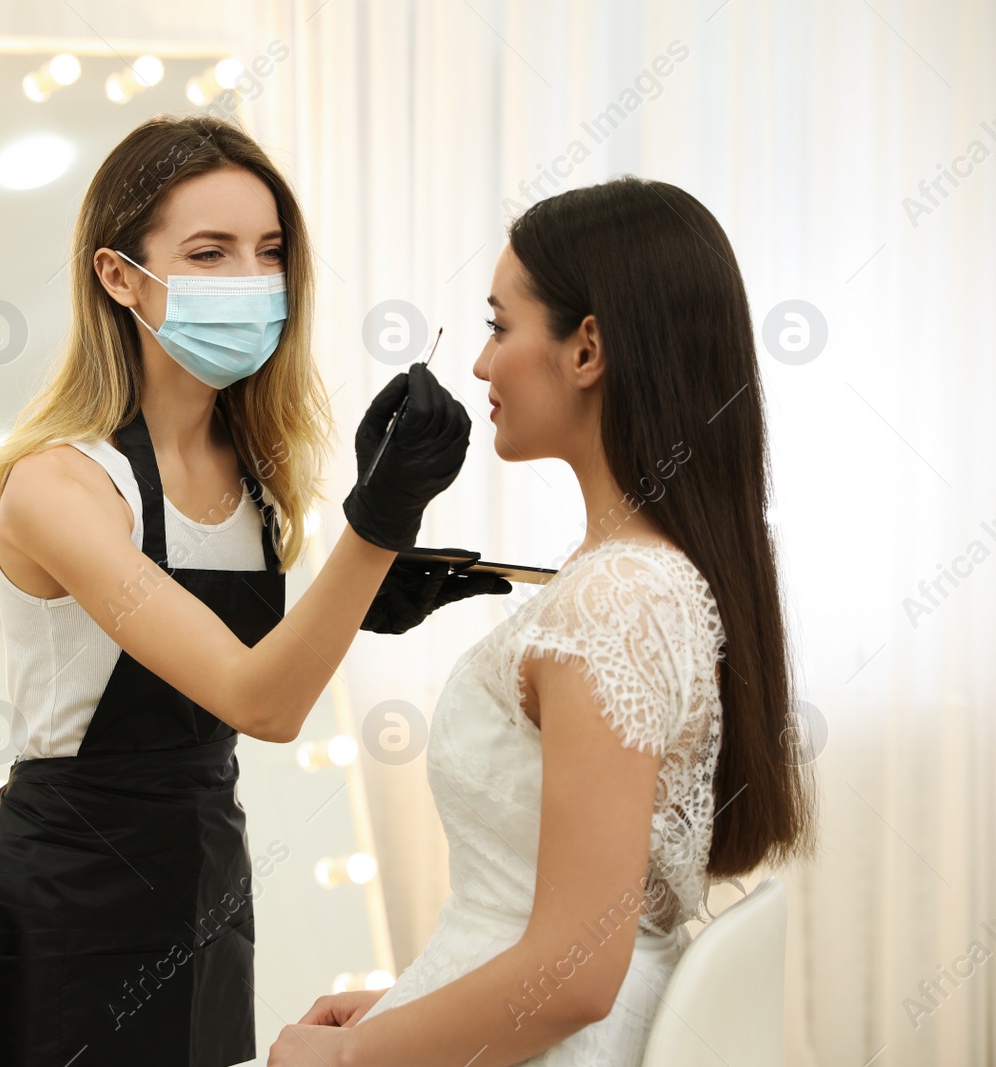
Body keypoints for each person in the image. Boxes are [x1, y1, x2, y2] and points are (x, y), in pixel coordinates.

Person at [0, 115, 508, 1067]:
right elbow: (258, 700)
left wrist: (358, 594)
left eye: (269, 253)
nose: (249, 280)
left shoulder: (259, 482)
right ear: (119, 276)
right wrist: (377, 523)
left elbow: (243, 674)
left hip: (205, 884)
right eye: (210, 252)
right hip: (66, 903)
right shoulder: (61, 486)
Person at [266, 176, 816, 1066]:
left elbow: (574, 974)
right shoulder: (641, 578)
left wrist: (343, 1058)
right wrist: (407, 1004)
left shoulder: (612, 602)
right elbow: (557, 925)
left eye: (497, 326)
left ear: (587, 348)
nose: (480, 365)